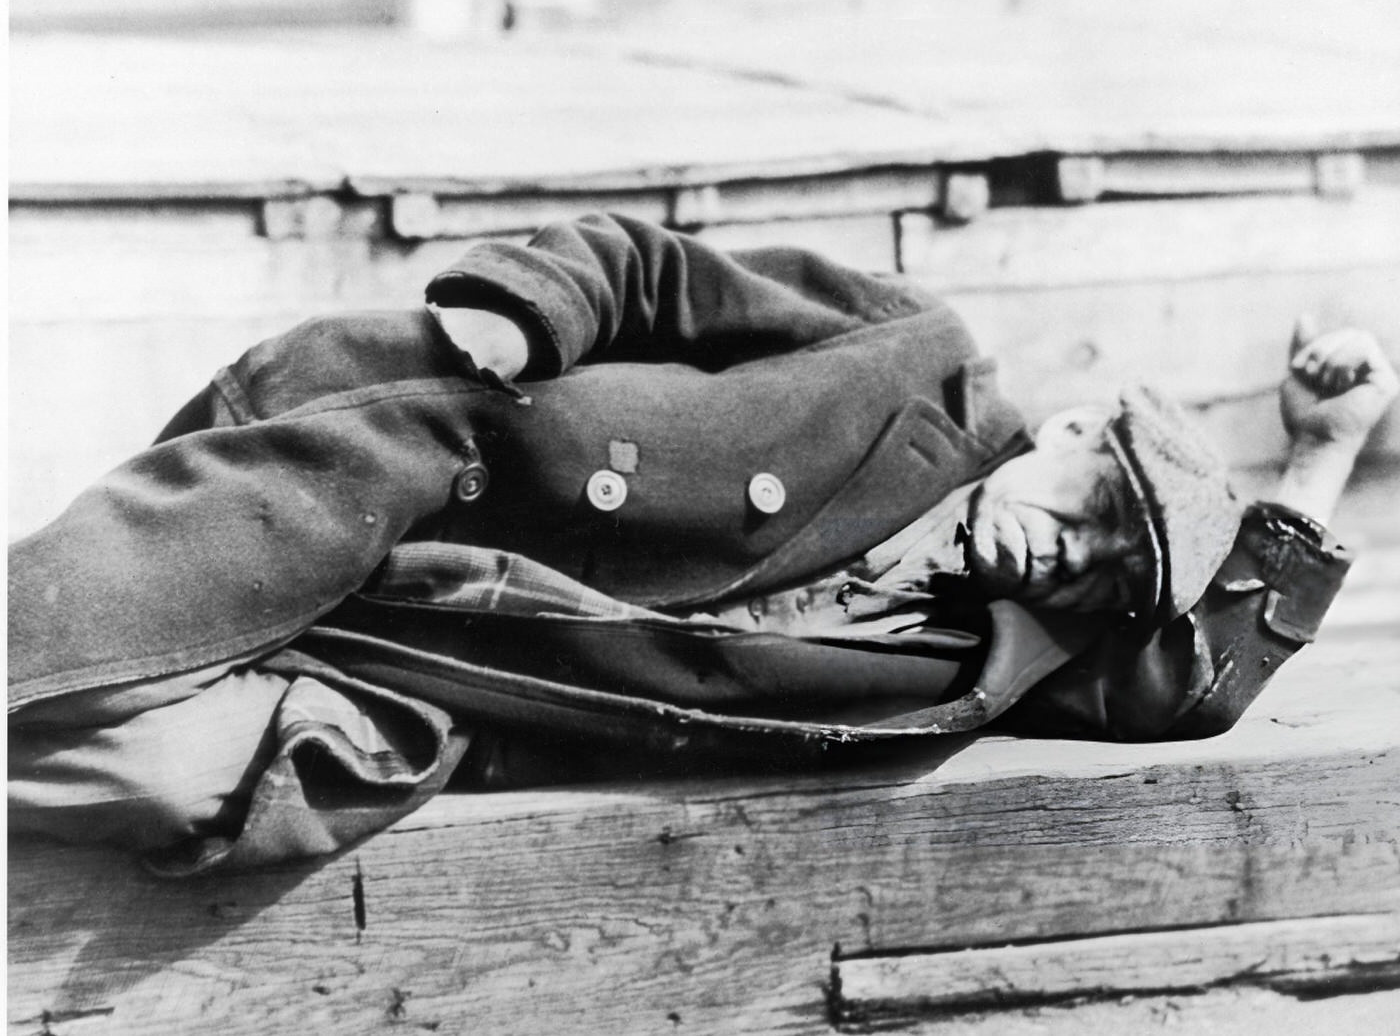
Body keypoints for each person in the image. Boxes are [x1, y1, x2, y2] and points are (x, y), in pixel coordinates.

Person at [8, 214, 1395, 873]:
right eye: (1092, 510)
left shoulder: (992, 658)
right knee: (82, 640)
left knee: (170, 774)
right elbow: (655, 269)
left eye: (1107, 572)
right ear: (1073, 427)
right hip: (404, 469)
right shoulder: (916, 357)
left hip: (447, 672)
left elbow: (1193, 682)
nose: (1071, 558)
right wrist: (525, 311)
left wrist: (1322, 448)